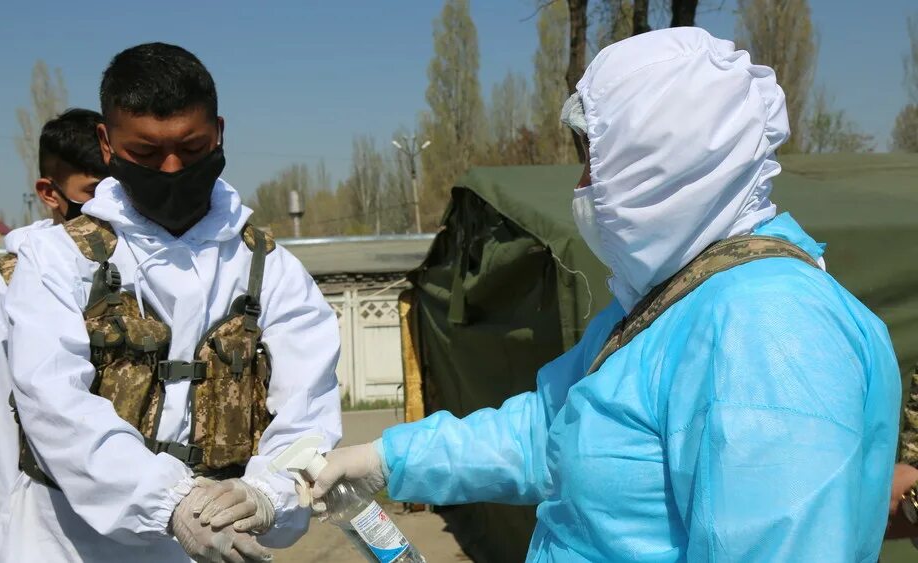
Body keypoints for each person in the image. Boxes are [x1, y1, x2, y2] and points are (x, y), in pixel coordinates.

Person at [289, 28, 902, 561]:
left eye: (595, 162)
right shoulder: (669, 303)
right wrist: (386, 459)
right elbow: (548, 430)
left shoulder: (768, 329)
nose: (581, 188)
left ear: (668, 159)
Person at [0, 43, 340, 562]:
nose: (173, 168)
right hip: (63, 544)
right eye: (148, 155)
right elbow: (54, 407)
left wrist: (266, 495)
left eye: (193, 148)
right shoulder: (56, 259)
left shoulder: (269, 268)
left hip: (222, 542)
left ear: (218, 133)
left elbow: (308, 414)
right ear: (107, 143)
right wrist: (171, 504)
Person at [0, 108, 106, 562]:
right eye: (93, 194)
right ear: (50, 194)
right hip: (51, 538)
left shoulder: (146, 279)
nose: (109, 211)